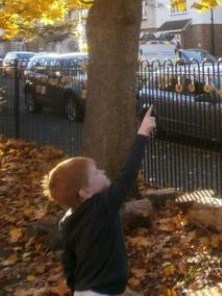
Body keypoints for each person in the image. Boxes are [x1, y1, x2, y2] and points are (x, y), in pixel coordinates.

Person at [43, 105, 156, 296]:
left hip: (83, 290)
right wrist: (142, 133)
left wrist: (74, 287)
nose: (102, 172)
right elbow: (128, 174)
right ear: (85, 192)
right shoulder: (102, 207)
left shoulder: (69, 220)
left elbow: (68, 261)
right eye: (96, 173)